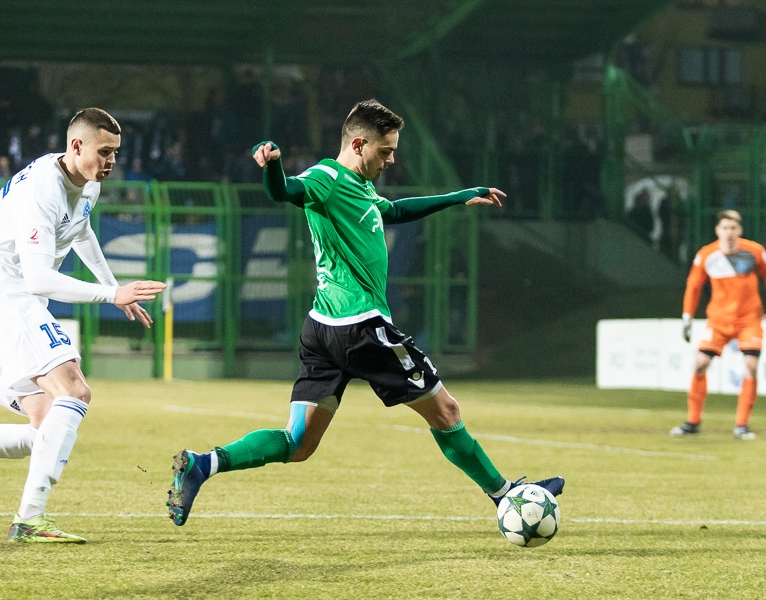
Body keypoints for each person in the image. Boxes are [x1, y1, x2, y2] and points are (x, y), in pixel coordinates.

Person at [167, 99, 564, 527]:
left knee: (298, 442)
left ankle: (202, 464)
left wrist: (458, 197)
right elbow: (283, 191)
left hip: (322, 329)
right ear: (358, 144)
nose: (391, 160)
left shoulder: (360, 188)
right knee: (446, 412)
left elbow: (394, 210)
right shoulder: (327, 177)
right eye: (386, 151)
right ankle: (507, 497)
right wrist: (272, 164)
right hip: (361, 328)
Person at [0, 108, 167, 542]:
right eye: (104, 151)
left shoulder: (87, 182)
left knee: (44, 428)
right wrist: (110, 295)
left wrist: (112, 285)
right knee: (75, 391)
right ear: (76, 145)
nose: (112, 161)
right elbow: (39, 279)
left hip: (13, 297)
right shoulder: (42, 190)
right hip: (8, 293)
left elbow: (80, 231)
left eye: (115, 152)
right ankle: (29, 519)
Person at [671, 209, 766, 441]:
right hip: (719, 320)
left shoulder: (755, 251)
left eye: (733, 228)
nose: (729, 232)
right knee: (700, 364)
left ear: (740, 230)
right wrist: (687, 316)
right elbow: (693, 286)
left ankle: (742, 424)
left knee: (751, 365)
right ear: (717, 230)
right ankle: (693, 421)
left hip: (748, 320)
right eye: (725, 228)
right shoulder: (707, 255)